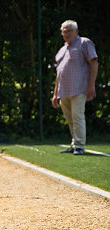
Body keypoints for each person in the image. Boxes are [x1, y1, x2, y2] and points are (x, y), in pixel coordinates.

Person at [52, 20, 98, 156]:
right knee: (70, 118)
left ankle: (79, 146)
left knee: (77, 116)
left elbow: (94, 63)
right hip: (64, 90)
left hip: (79, 88)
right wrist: (55, 94)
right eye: (64, 31)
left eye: (69, 30)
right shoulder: (62, 49)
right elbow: (58, 73)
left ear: (76, 31)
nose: (66, 33)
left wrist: (91, 85)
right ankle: (74, 144)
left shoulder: (84, 43)